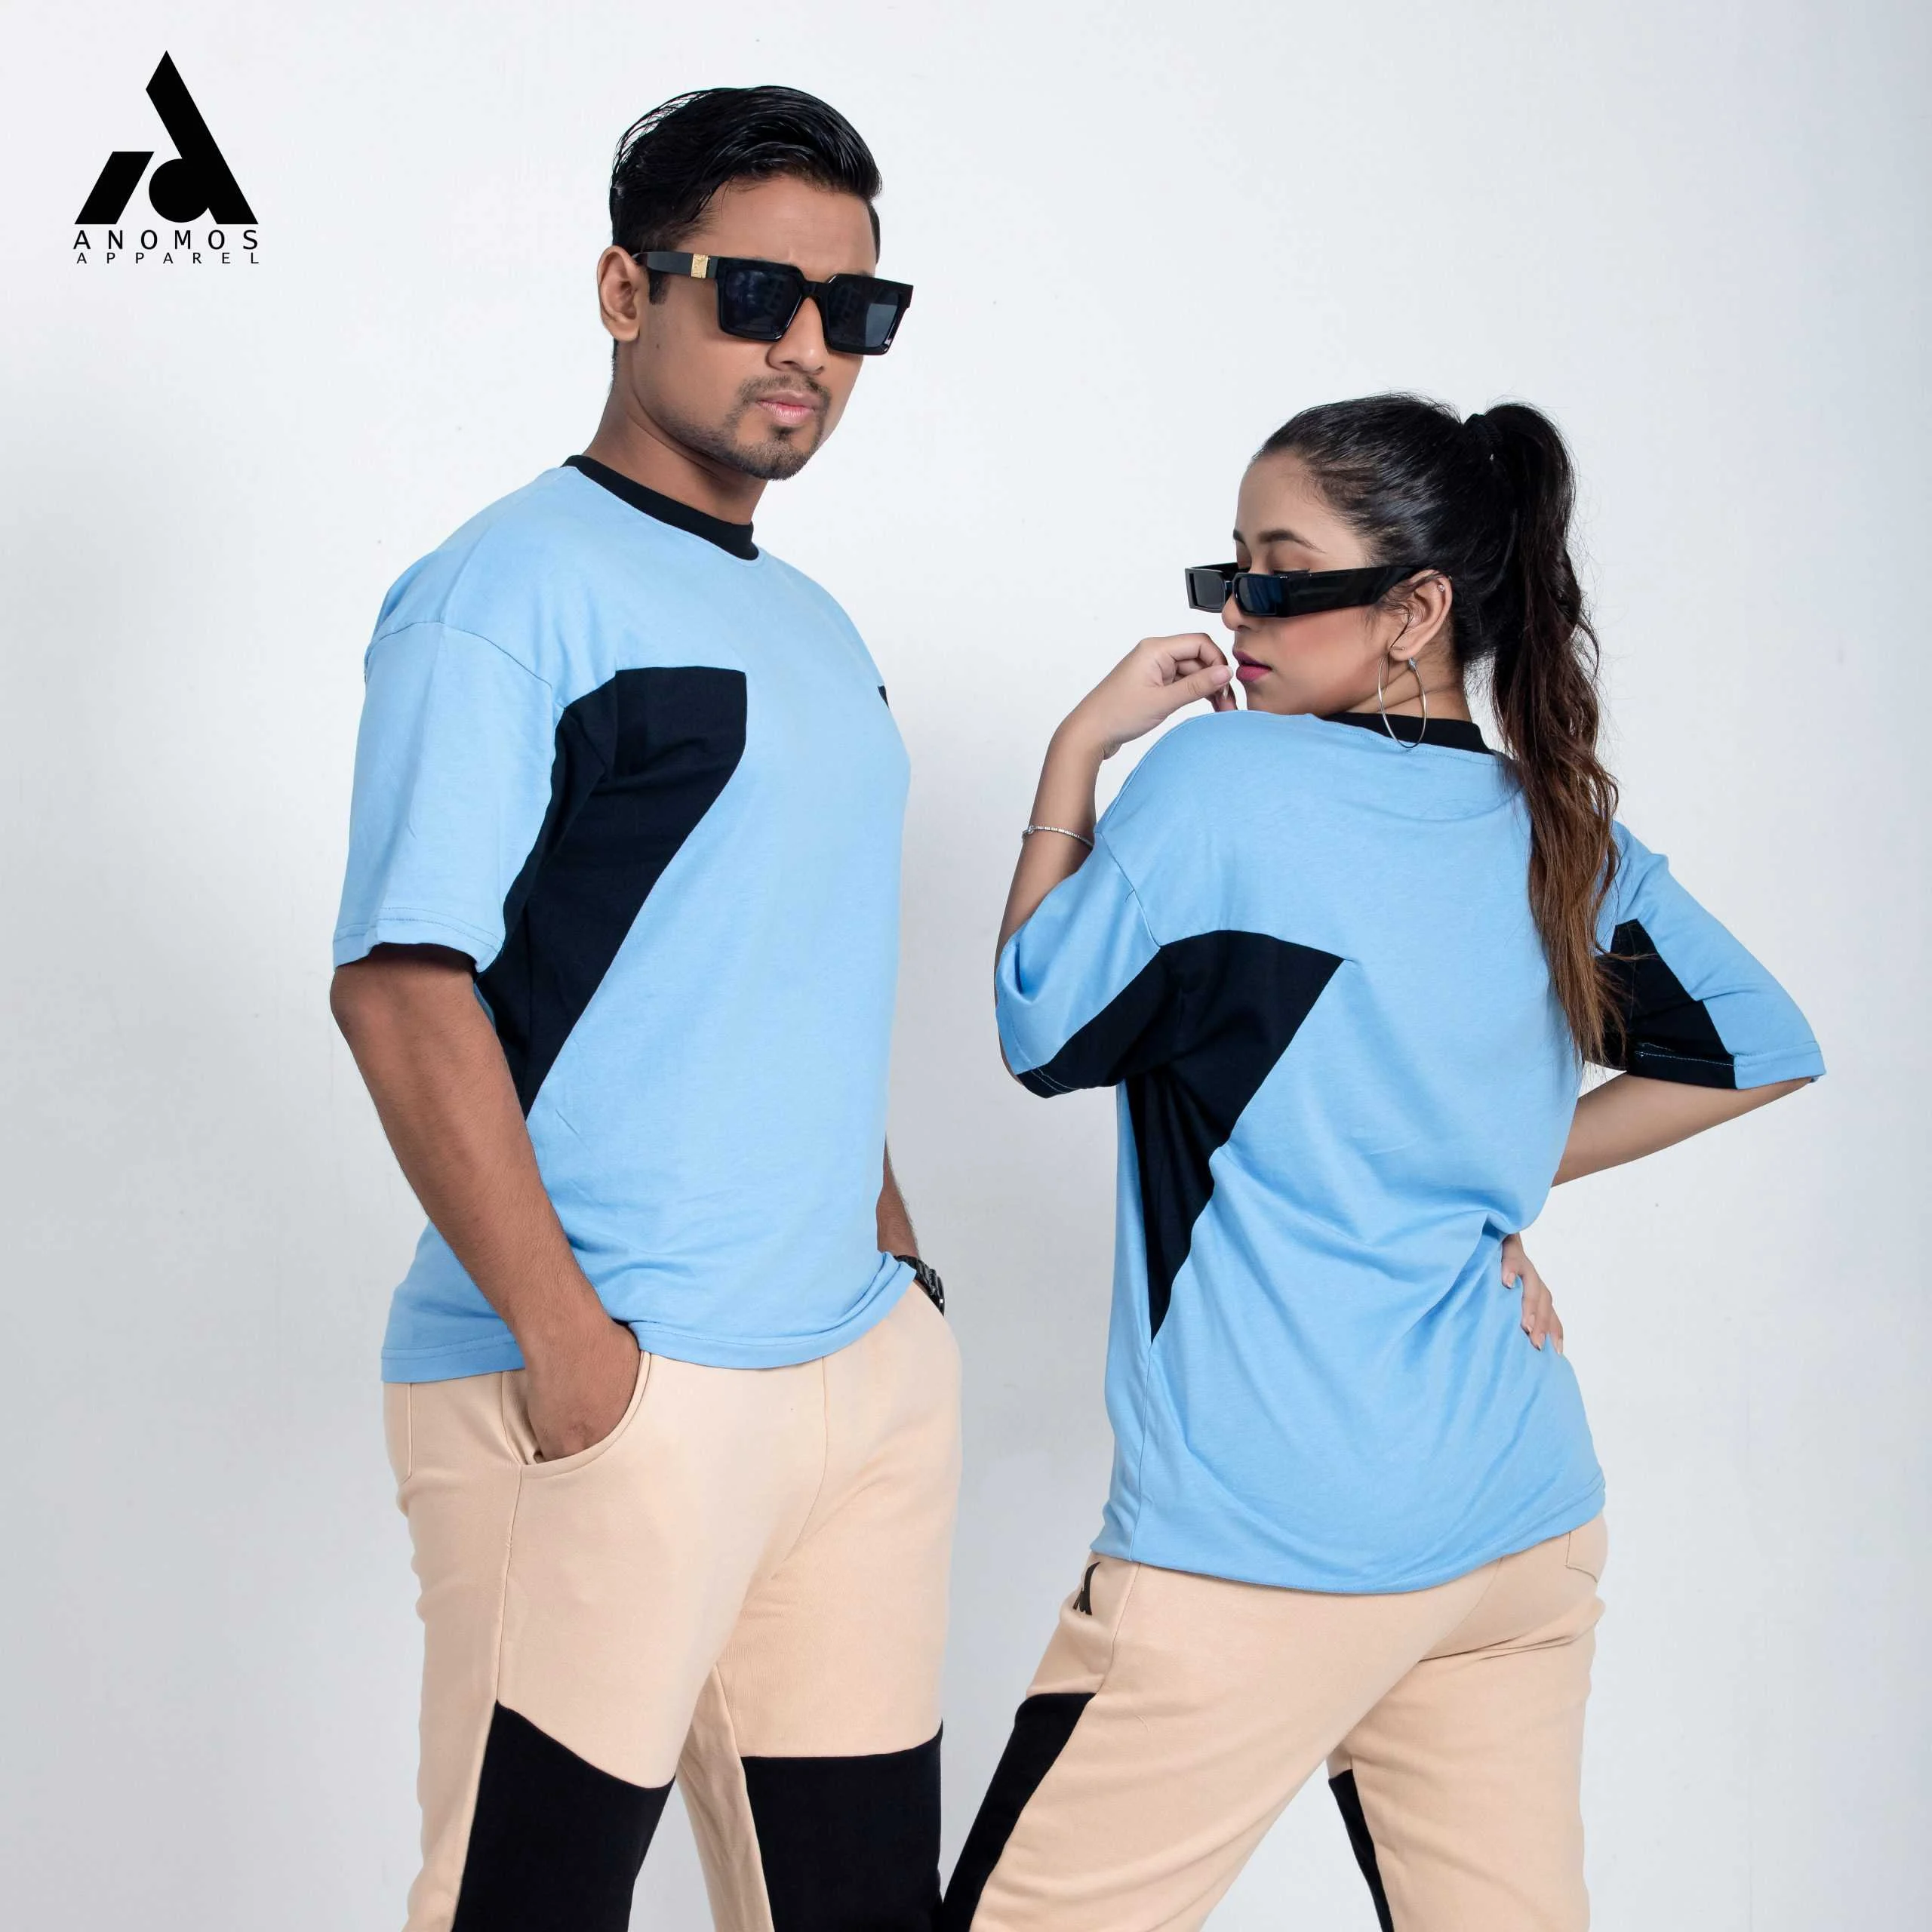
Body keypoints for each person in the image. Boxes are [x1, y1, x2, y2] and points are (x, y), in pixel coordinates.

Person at [946, 395, 1822, 1930]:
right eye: (1229, 568)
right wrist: (1491, 1175)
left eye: (1279, 574)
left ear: (1416, 608)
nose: (1237, 609)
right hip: (1518, 1525)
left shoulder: (1225, 782)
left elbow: (1042, 1022)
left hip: (1270, 1540)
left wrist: (1079, 748)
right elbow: (1760, 1045)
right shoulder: (1554, 829)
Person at [329, 86, 956, 1932]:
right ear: (626, 290)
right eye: (756, 292)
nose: (806, 346)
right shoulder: (504, 592)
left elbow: (779, 954)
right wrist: (575, 1352)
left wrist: (891, 1267)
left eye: (853, 309)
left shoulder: (817, 624)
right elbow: (399, 985)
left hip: (849, 1381)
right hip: (622, 1387)